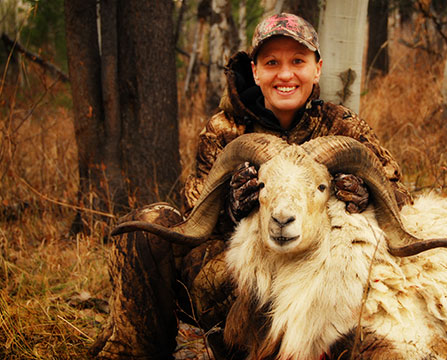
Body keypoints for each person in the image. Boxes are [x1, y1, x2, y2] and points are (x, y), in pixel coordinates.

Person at [91, 13, 412, 360]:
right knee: (151, 223)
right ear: (256, 71)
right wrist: (232, 209)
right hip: (239, 281)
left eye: (298, 61)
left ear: (317, 69)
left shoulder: (343, 128)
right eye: (272, 62)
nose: (285, 74)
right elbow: (193, 216)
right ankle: (134, 351)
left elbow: (402, 203)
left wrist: (366, 199)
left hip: (322, 283)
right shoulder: (225, 129)